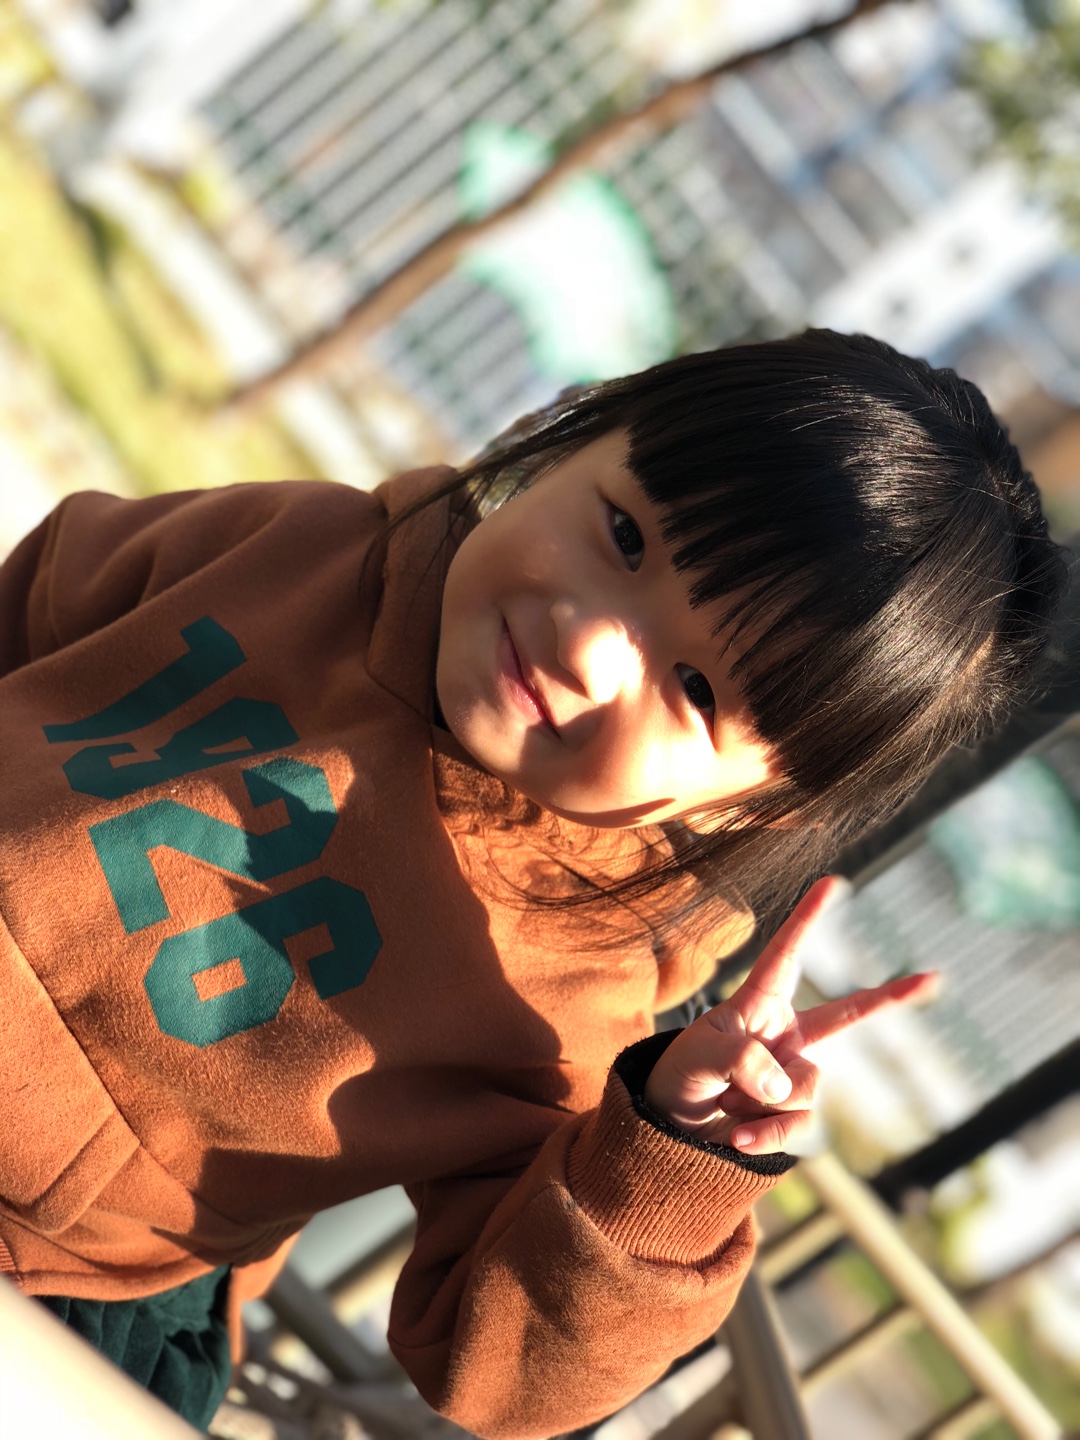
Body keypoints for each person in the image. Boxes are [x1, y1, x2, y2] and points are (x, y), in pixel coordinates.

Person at [0, 330, 1065, 1438]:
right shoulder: (299, 547)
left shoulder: (573, 994)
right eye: (624, 535)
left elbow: (500, 1374)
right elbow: (37, 605)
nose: (589, 641)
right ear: (567, 434)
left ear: (756, 808)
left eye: (697, 690)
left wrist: (666, 1161)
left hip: (59, 1271)